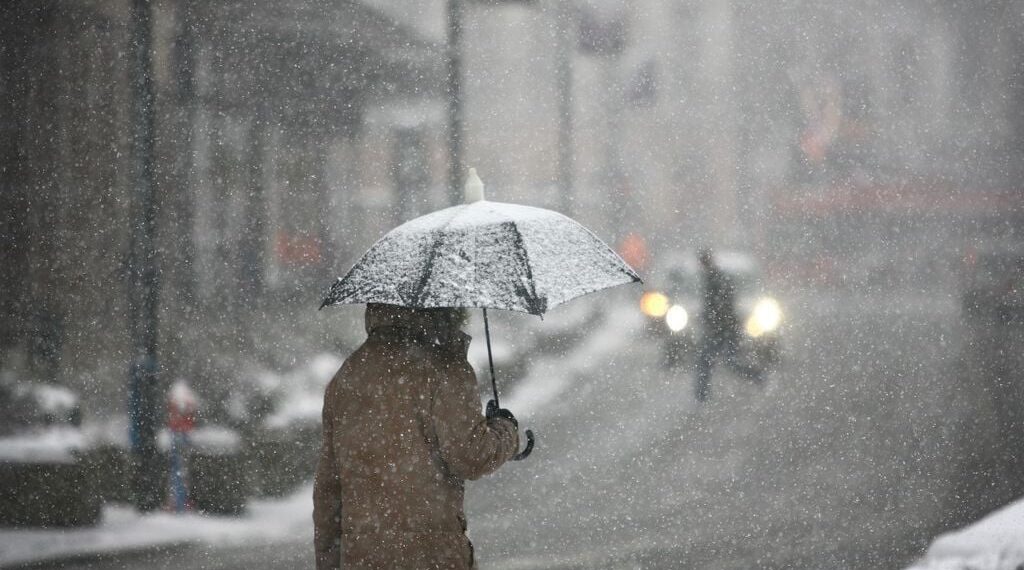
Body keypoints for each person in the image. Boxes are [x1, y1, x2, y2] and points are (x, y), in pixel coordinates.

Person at [313, 303, 520, 570]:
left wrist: (329, 561)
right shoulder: (446, 369)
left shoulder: (348, 375)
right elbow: (472, 456)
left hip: (362, 557)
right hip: (432, 555)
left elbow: (328, 489)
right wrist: (505, 429)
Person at [694, 248, 761, 402]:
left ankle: (701, 395)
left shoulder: (715, 280)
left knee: (718, 361)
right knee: (719, 361)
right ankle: (701, 395)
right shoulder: (714, 278)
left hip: (722, 329)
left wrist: (712, 320)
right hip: (723, 329)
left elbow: (720, 306)